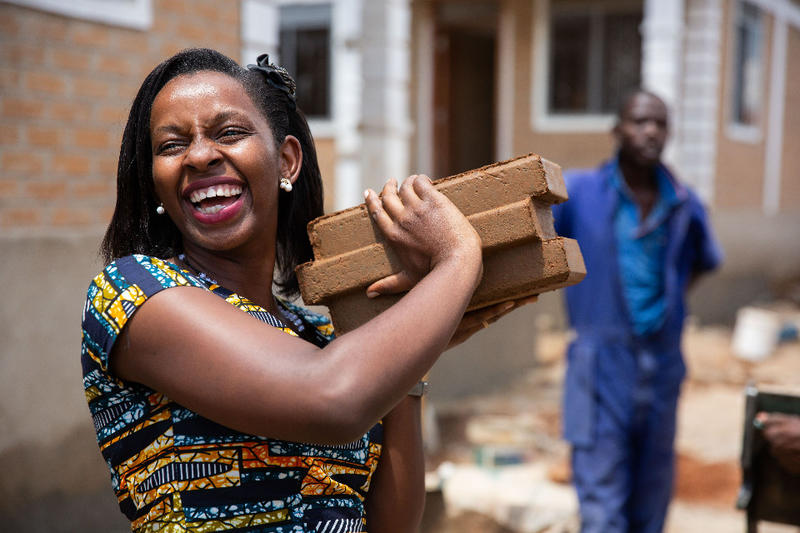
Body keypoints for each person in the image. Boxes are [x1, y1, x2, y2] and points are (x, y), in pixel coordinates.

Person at [80, 48, 525, 532]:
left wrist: (408, 364)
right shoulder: (134, 294)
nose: (201, 155)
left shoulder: (321, 338)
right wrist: (459, 257)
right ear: (154, 182)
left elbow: (391, 525)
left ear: (286, 160)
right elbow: (333, 398)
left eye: (229, 133)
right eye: (171, 145)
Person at [551, 89, 723, 533]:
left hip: (662, 363)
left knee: (651, 500)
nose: (651, 131)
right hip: (598, 364)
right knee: (602, 504)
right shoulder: (582, 191)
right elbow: (545, 247)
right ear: (617, 130)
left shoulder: (684, 202)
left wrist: (665, 305)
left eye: (660, 123)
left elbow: (704, 260)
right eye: (640, 121)